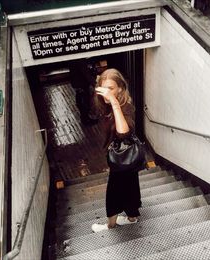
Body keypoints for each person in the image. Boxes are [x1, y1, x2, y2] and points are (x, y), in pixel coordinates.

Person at [91, 68, 142, 232]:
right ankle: (132, 218)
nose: (106, 94)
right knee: (131, 188)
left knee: (113, 194)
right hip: (129, 159)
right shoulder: (112, 104)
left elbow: (123, 133)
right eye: (104, 89)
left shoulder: (124, 107)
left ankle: (110, 226)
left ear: (120, 88)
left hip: (122, 159)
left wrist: (113, 101)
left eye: (111, 89)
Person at [69, 59, 98, 125]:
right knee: (84, 101)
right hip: (81, 82)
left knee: (80, 99)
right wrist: (95, 84)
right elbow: (85, 72)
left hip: (77, 82)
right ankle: (86, 119)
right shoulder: (80, 60)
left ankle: (85, 118)